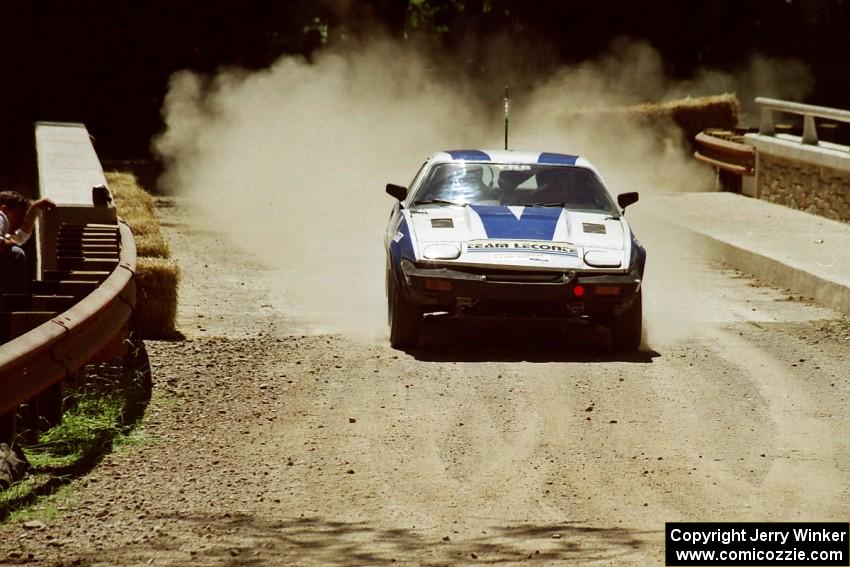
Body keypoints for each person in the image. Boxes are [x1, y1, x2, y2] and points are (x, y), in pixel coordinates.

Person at [0, 191, 55, 294]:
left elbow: (20, 237)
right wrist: (11, 242)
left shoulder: (5, 226)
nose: (21, 223)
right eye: (18, 216)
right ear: (4, 209)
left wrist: (34, 209)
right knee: (16, 253)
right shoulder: (1, 217)